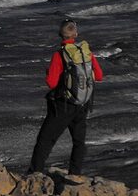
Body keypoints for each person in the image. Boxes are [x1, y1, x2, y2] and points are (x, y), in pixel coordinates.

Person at [28, 19, 103, 175]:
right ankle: (75, 175)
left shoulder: (60, 55)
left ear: (60, 35)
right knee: (79, 142)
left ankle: (35, 173)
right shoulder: (86, 51)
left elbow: (51, 83)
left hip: (63, 105)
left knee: (45, 140)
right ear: (76, 34)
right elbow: (99, 76)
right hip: (83, 103)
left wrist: (50, 73)